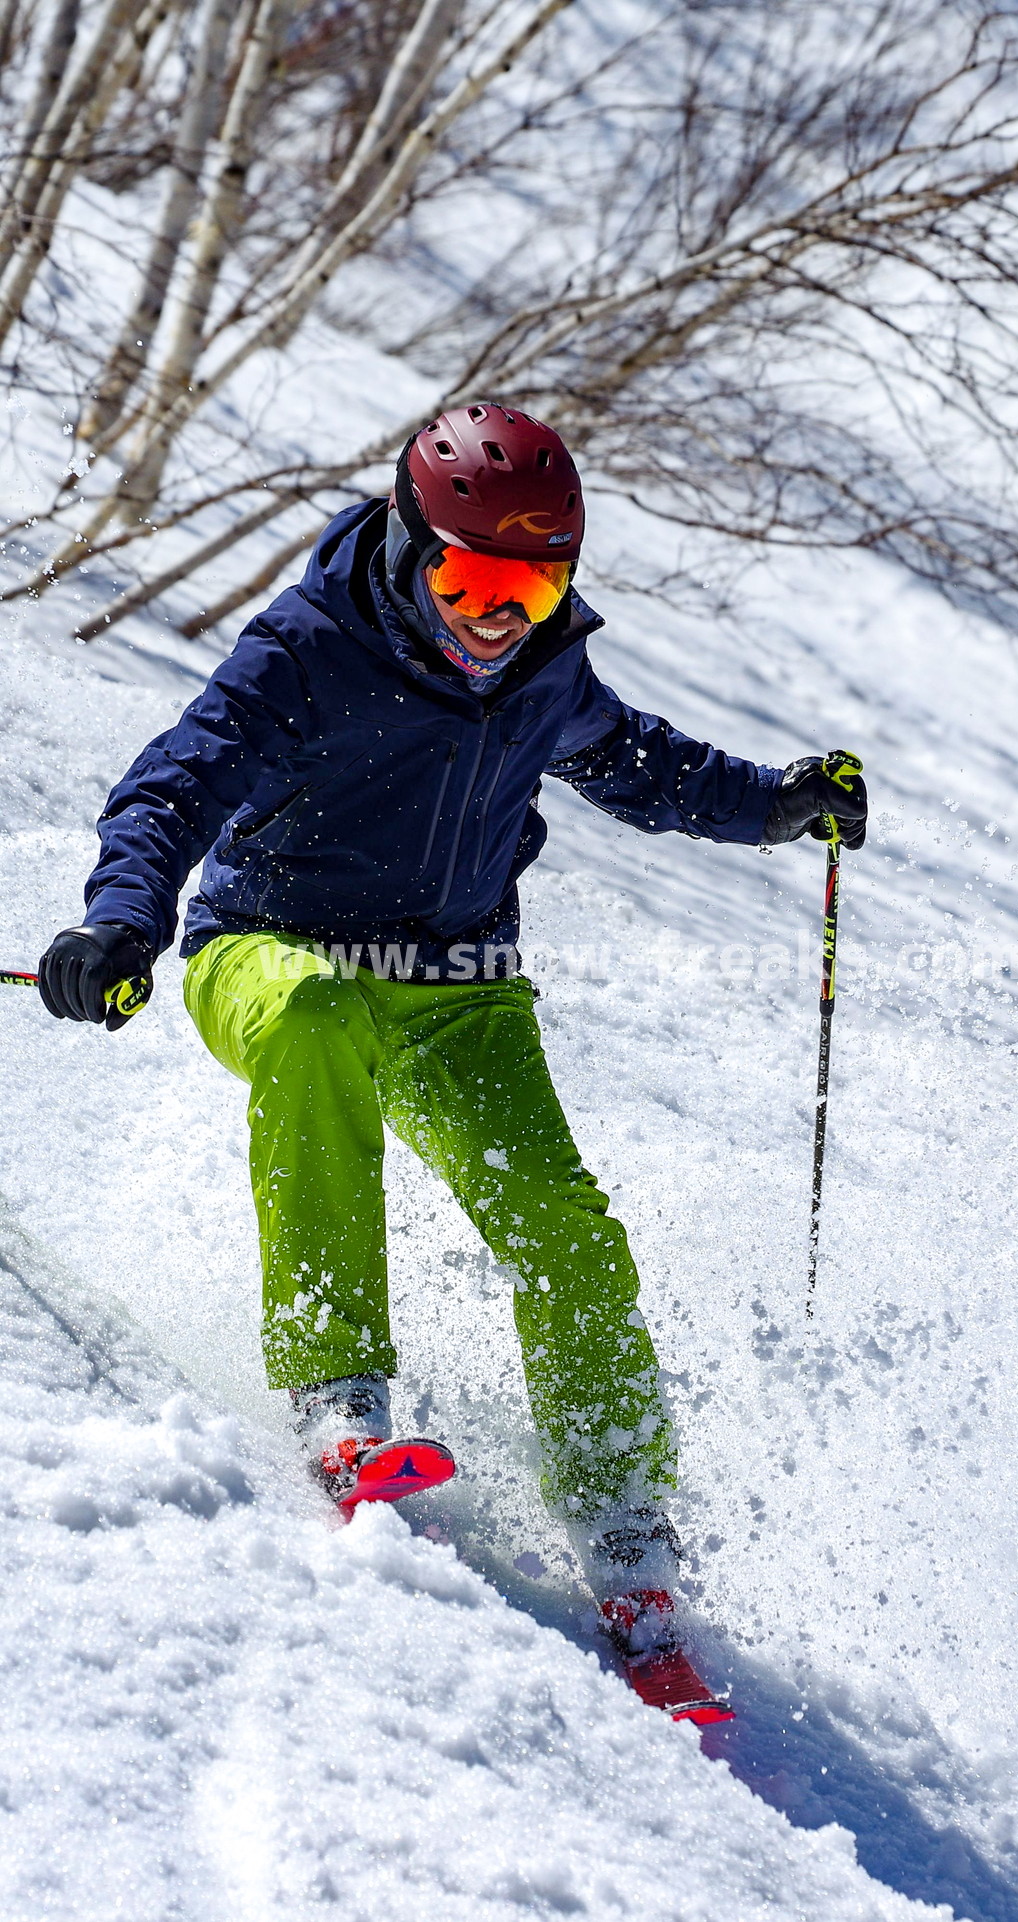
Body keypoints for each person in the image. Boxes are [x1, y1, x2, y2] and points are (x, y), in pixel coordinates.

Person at [39, 402, 866, 1719]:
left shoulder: (541, 671)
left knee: (567, 1230)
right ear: (412, 544)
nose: (499, 614)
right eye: (471, 577)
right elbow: (173, 784)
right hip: (267, 948)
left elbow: (637, 763)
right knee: (312, 1020)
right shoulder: (306, 649)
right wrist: (121, 919)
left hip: (454, 989)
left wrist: (776, 803)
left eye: (534, 583)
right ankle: (340, 1397)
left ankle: (626, 1532)